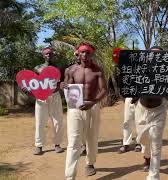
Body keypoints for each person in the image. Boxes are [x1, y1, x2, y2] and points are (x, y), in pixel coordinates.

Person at [63, 42, 107, 179]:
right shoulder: (70, 70)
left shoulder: (97, 70)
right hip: (75, 108)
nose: (85, 55)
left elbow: (104, 90)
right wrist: (63, 85)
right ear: (78, 53)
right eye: (82, 52)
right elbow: (67, 86)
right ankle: (70, 175)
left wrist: (93, 102)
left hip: (92, 107)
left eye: (87, 52)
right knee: (74, 141)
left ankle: (90, 163)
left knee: (92, 138)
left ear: (91, 54)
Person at [22, 47, 64, 155]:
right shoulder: (37, 68)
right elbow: (33, 84)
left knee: (58, 121)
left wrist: (57, 88)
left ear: (53, 55)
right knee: (40, 122)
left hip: (55, 96)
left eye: (50, 54)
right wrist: (28, 90)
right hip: (41, 98)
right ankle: (39, 146)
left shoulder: (58, 68)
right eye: (46, 54)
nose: (49, 55)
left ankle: (57, 144)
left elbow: (61, 83)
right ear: (43, 55)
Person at [134, 46, 167, 180]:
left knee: (156, 142)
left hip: (159, 109)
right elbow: (130, 85)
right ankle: (147, 155)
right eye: (153, 55)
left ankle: (154, 176)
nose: (155, 57)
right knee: (143, 138)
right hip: (142, 109)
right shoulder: (140, 69)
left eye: (159, 55)